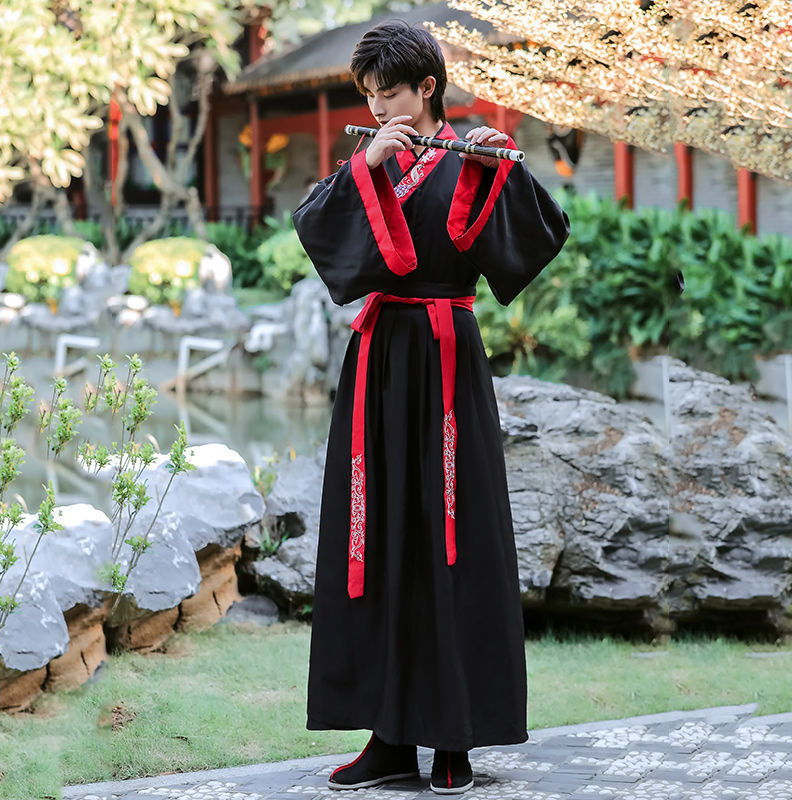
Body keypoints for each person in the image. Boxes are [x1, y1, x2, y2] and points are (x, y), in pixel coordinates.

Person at [292, 20, 570, 795]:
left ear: (428, 89)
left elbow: (541, 236)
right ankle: (387, 739)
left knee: (454, 540)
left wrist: (502, 172)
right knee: (379, 537)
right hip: (379, 363)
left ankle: (454, 739)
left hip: (449, 362)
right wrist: (365, 168)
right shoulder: (369, 160)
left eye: (392, 94)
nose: (380, 109)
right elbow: (318, 232)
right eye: (370, 97)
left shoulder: (468, 156)